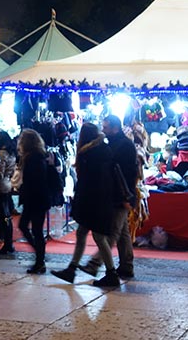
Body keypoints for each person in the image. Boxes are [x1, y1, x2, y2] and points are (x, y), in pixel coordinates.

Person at [52, 122, 121, 287]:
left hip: (92, 200)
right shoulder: (104, 150)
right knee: (84, 233)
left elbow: (87, 181)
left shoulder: (88, 154)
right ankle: (72, 268)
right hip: (102, 199)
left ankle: (111, 272)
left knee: (97, 236)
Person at [82, 115, 138, 280]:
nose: (103, 130)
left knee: (112, 232)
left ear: (114, 128)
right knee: (122, 232)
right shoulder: (117, 144)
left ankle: (95, 263)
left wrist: (124, 196)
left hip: (120, 195)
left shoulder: (122, 146)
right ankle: (126, 265)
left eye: (105, 127)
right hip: (119, 194)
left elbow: (125, 174)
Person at [17, 128, 50, 274]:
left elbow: (34, 180)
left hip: (35, 198)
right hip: (39, 198)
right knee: (31, 228)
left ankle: (40, 259)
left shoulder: (32, 158)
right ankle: (40, 257)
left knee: (32, 228)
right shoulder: (40, 155)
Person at [0, 131, 17, 255]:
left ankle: (7, 242)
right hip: (7, 183)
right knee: (6, 215)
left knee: (1, 215)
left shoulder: (2, 154)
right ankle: (8, 241)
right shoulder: (12, 153)